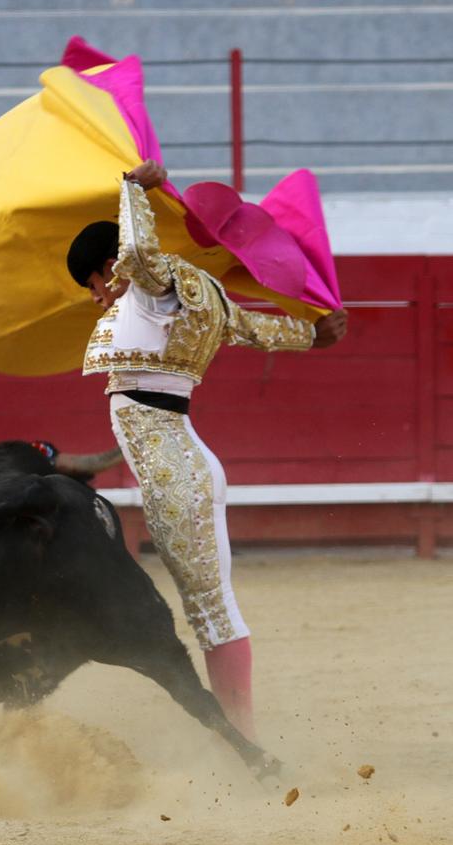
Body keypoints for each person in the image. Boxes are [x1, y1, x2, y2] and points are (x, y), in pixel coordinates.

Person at [66, 160, 348, 739]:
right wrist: (312, 334)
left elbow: (138, 252)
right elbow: (254, 328)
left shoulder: (150, 290)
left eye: (93, 284)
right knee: (210, 611)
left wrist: (134, 190)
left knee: (211, 613)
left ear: (109, 268)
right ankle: (240, 736)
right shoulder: (199, 293)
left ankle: (243, 740)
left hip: (176, 474)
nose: (96, 298)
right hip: (185, 464)